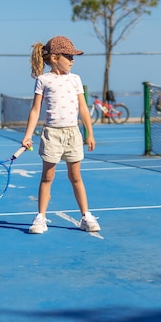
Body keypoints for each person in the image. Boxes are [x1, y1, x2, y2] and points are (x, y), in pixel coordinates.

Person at [21, 35, 100, 234]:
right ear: (55, 57)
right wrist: (28, 135)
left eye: (74, 56)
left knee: (75, 176)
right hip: (51, 135)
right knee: (47, 177)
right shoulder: (43, 80)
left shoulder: (75, 79)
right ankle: (40, 218)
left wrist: (89, 134)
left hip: (73, 134)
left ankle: (86, 216)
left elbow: (83, 108)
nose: (73, 60)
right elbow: (35, 110)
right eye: (69, 56)